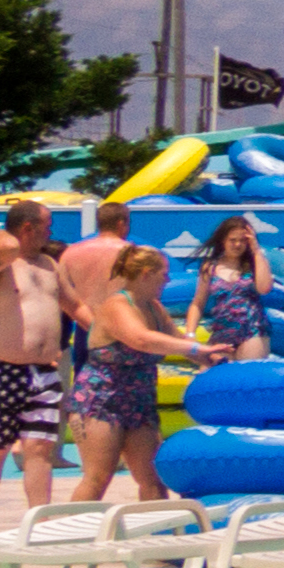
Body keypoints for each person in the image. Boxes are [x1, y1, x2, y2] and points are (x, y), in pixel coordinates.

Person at [57, 200, 190, 504]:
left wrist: (213, 356)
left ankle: (161, 543)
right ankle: (61, 541)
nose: (168, 280)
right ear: (123, 224)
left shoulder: (72, 254)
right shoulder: (120, 298)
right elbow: (140, 340)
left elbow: (69, 300)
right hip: (102, 394)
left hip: (134, 390)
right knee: (98, 476)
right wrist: (106, 325)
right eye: (163, 274)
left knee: (153, 478)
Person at [0, 197, 72, 522]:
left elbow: (74, 305)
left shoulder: (48, 265)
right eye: (47, 225)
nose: (51, 232)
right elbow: (3, 245)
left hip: (44, 372)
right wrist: (7, 239)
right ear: (28, 228)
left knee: (41, 449)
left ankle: (39, 520)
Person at [192, 215, 275, 365]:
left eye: (243, 240)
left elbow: (264, 288)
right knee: (213, 377)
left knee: (247, 374)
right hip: (223, 330)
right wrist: (190, 333)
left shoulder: (254, 264)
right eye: (232, 240)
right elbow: (198, 303)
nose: (237, 244)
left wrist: (256, 251)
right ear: (223, 241)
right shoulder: (210, 267)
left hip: (252, 328)